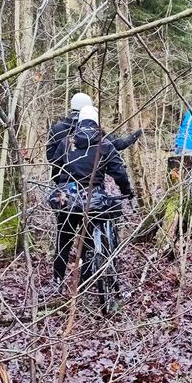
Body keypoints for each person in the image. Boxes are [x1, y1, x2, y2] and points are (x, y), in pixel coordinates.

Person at [51, 105, 134, 285]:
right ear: (97, 122)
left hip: (67, 198)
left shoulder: (67, 142)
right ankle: (85, 281)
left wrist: (60, 185)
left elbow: (56, 169)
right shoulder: (104, 144)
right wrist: (127, 191)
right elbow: (119, 172)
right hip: (93, 199)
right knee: (89, 238)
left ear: (79, 121)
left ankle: (57, 281)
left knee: (63, 239)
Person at [46, 92, 142, 165]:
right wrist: (134, 136)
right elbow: (117, 144)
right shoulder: (93, 128)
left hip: (63, 179)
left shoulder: (56, 128)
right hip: (90, 178)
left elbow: (50, 158)